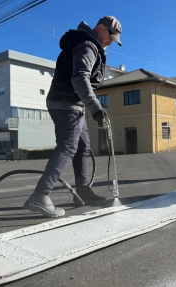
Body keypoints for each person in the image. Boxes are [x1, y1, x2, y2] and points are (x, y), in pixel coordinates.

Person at [24, 16, 123, 217]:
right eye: (110, 36)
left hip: (73, 104)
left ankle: (83, 190)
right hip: (65, 104)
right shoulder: (87, 46)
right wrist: (96, 108)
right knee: (68, 146)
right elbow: (80, 78)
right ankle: (40, 195)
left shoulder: (90, 45)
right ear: (100, 28)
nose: (110, 41)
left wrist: (90, 107)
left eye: (114, 38)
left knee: (83, 146)